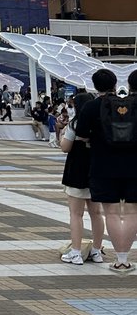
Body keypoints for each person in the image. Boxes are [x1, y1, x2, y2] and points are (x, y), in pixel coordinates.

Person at [75, 68, 137, 271]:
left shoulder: (92, 107)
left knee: (111, 212)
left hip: (103, 165)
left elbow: (82, 134)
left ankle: (119, 259)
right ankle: (125, 259)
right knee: (131, 212)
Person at [59, 89, 105, 265]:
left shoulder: (75, 124)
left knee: (76, 214)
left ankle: (76, 252)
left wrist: (63, 134)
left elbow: (65, 147)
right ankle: (97, 251)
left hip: (76, 172)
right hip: (96, 172)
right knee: (97, 213)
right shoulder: (101, 123)